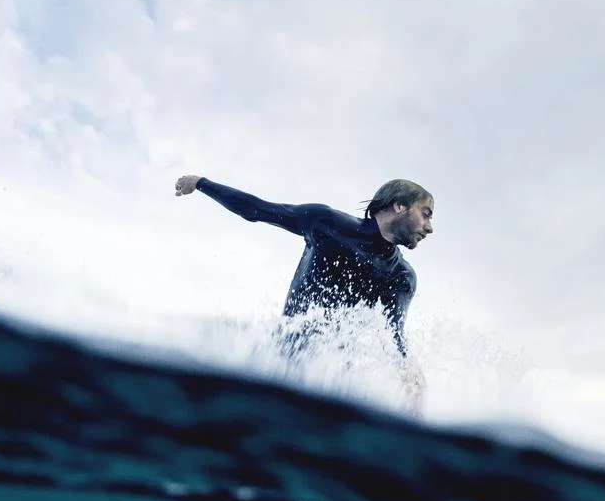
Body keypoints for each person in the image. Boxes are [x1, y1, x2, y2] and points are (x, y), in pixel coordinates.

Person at [175, 174, 434, 409]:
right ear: (399, 206)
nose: (430, 227)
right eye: (426, 213)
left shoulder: (402, 277)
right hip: (277, 364)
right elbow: (256, 209)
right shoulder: (326, 223)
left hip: (330, 384)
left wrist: (408, 370)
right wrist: (201, 183)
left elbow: (394, 333)